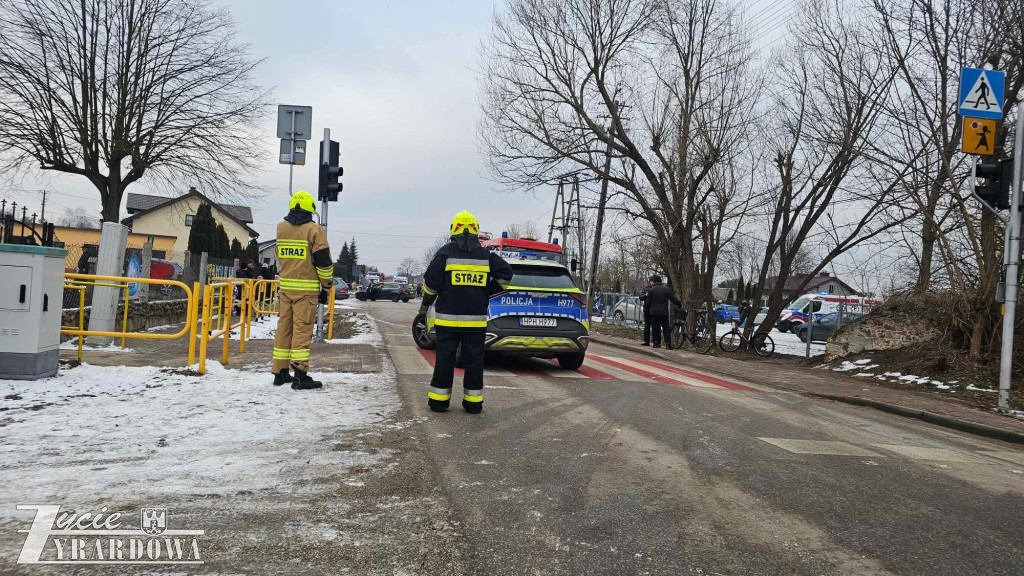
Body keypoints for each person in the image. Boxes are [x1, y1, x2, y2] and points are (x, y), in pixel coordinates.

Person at [420, 210, 513, 414]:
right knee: (474, 362)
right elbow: (506, 275)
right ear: (475, 231)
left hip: (447, 322)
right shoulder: (486, 255)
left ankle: (438, 402)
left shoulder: (444, 253)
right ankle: (473, 404)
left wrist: (428, 301)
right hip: (475, 323)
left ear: (453, 230)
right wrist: (486, 291)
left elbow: (430, 285)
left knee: (444, 361)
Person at [271, 190, 334, 390]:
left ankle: (280, 373)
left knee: (284, 328)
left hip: (286, 288)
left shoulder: (281, 228)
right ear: (310, 209)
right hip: (306, 292)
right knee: (302, 330)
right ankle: (300, 375)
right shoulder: (314, 230)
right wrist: (326, 286)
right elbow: (323, 263)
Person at [646, 275, 680, 349]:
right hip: (663, 312)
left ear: (654, 282)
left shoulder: (651, 290)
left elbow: (647, 303)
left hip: (653, 312)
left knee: (655, 327)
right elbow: (673, 299)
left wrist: (646, 311)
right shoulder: (666, 289)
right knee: (666, 328)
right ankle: (668, 343)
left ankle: (656, 343)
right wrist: (679, 303)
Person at [639, 278, 655, 346]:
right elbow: (640, 296)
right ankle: (646, 341)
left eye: (653, 282)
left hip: (655, 309)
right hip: (647, 309)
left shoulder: (657, 288)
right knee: (647, 326)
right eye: (651, 281)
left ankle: (655, 341)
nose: (652, 283)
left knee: (655, 326)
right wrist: (646, 295)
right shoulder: (646, 288)